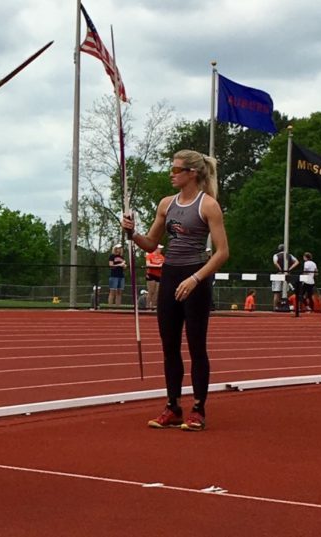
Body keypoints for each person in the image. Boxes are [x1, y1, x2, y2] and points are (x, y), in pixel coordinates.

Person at [122, 150, 229, 432]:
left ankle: (198, 409)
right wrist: (132, 233)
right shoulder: (166, 204)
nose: (172, 173)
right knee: (169, 346)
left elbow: (222, 252)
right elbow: (151, 244)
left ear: (192, 173)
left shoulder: (208, 206)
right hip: (170, 275)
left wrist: (195, 279)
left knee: (196, 346)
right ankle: (172, 406)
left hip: (195, 277)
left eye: (176, 169)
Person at [271, 244, 299, 311]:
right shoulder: (289, 255)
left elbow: (275, 263)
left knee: (276, 292)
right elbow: (297, 262)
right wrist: (289, 269)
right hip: (287, 274)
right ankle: (284, 306)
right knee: (286, 291)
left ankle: (275, 308)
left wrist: (280, 269)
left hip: (278, 274)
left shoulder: (276, 255)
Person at [144, 244, 164, 310]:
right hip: (151, 275)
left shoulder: (161, 256)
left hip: (159, 275)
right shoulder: (149, 255)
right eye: (159, 248)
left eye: (160, 249)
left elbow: (164, 264)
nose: (160, 250)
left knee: (157, 291)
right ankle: (147, 306)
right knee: (151, 291)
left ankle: (153, 306)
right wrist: (158, 266)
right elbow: (148, 264)